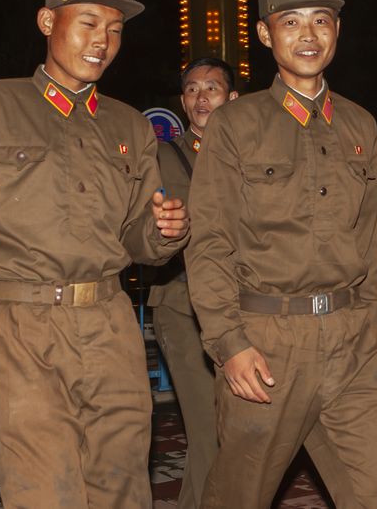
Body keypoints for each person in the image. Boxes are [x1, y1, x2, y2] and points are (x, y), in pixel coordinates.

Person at [0, 0, 189, 508]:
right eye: (87, 23)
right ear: (47, 22)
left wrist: (165, 232)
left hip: (111, 325)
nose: (102, 42)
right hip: (22, 330)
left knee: (124, 488)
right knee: (44, 492)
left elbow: (138, 240)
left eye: (114, 30)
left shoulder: (129, 124)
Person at [186, 0, 377, 508]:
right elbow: (210, 241)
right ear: (267, 35)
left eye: (321, 19)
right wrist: (230, 343)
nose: (308, 35)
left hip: (353, 342)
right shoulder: (234, 125)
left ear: (339, 30)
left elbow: (373, 238)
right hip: (267, 344)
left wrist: (370, 320)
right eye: (290, 22)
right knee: (238, 496)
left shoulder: (361, 125)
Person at [146, 56, 237, 509]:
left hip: (240, 307)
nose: (201, 98)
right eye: (192, 90)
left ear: (232, 98)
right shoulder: (163, 156)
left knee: (239, 430)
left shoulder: (251, 154)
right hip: (183, 307)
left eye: (212, 89)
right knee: (208, 426)